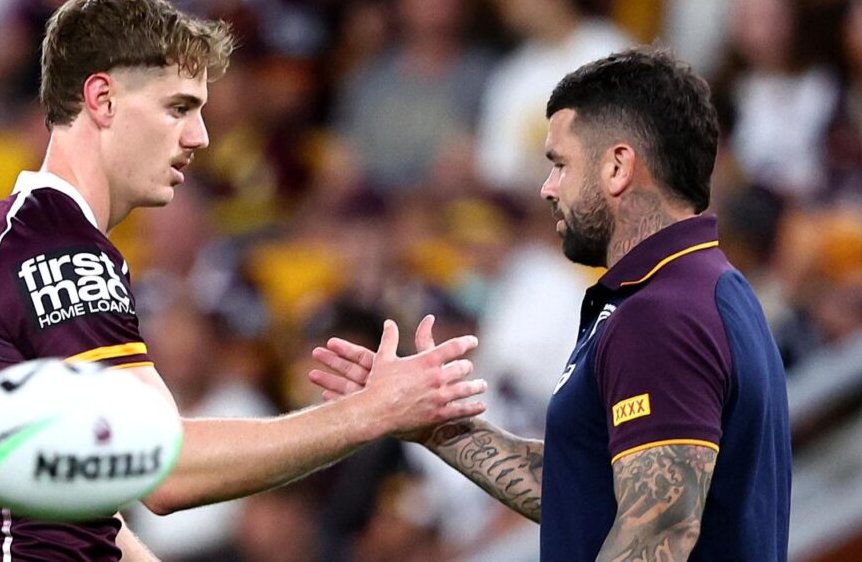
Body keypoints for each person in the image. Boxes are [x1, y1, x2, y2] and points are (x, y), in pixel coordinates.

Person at [0, 0, 488, 560]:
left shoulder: (8, 234)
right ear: (103, 99)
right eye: (178, 108)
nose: (200, 137)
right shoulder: (61, 251)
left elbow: (78, 506)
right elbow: (166, 471)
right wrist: (370, 412)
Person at [311, 47, 792, 561]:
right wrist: (433, 424)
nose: (547, 188)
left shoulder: (661, 315)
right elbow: (587, 489)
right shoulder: (706, 288)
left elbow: (658, 535)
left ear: (617, 167)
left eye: (560, 165)